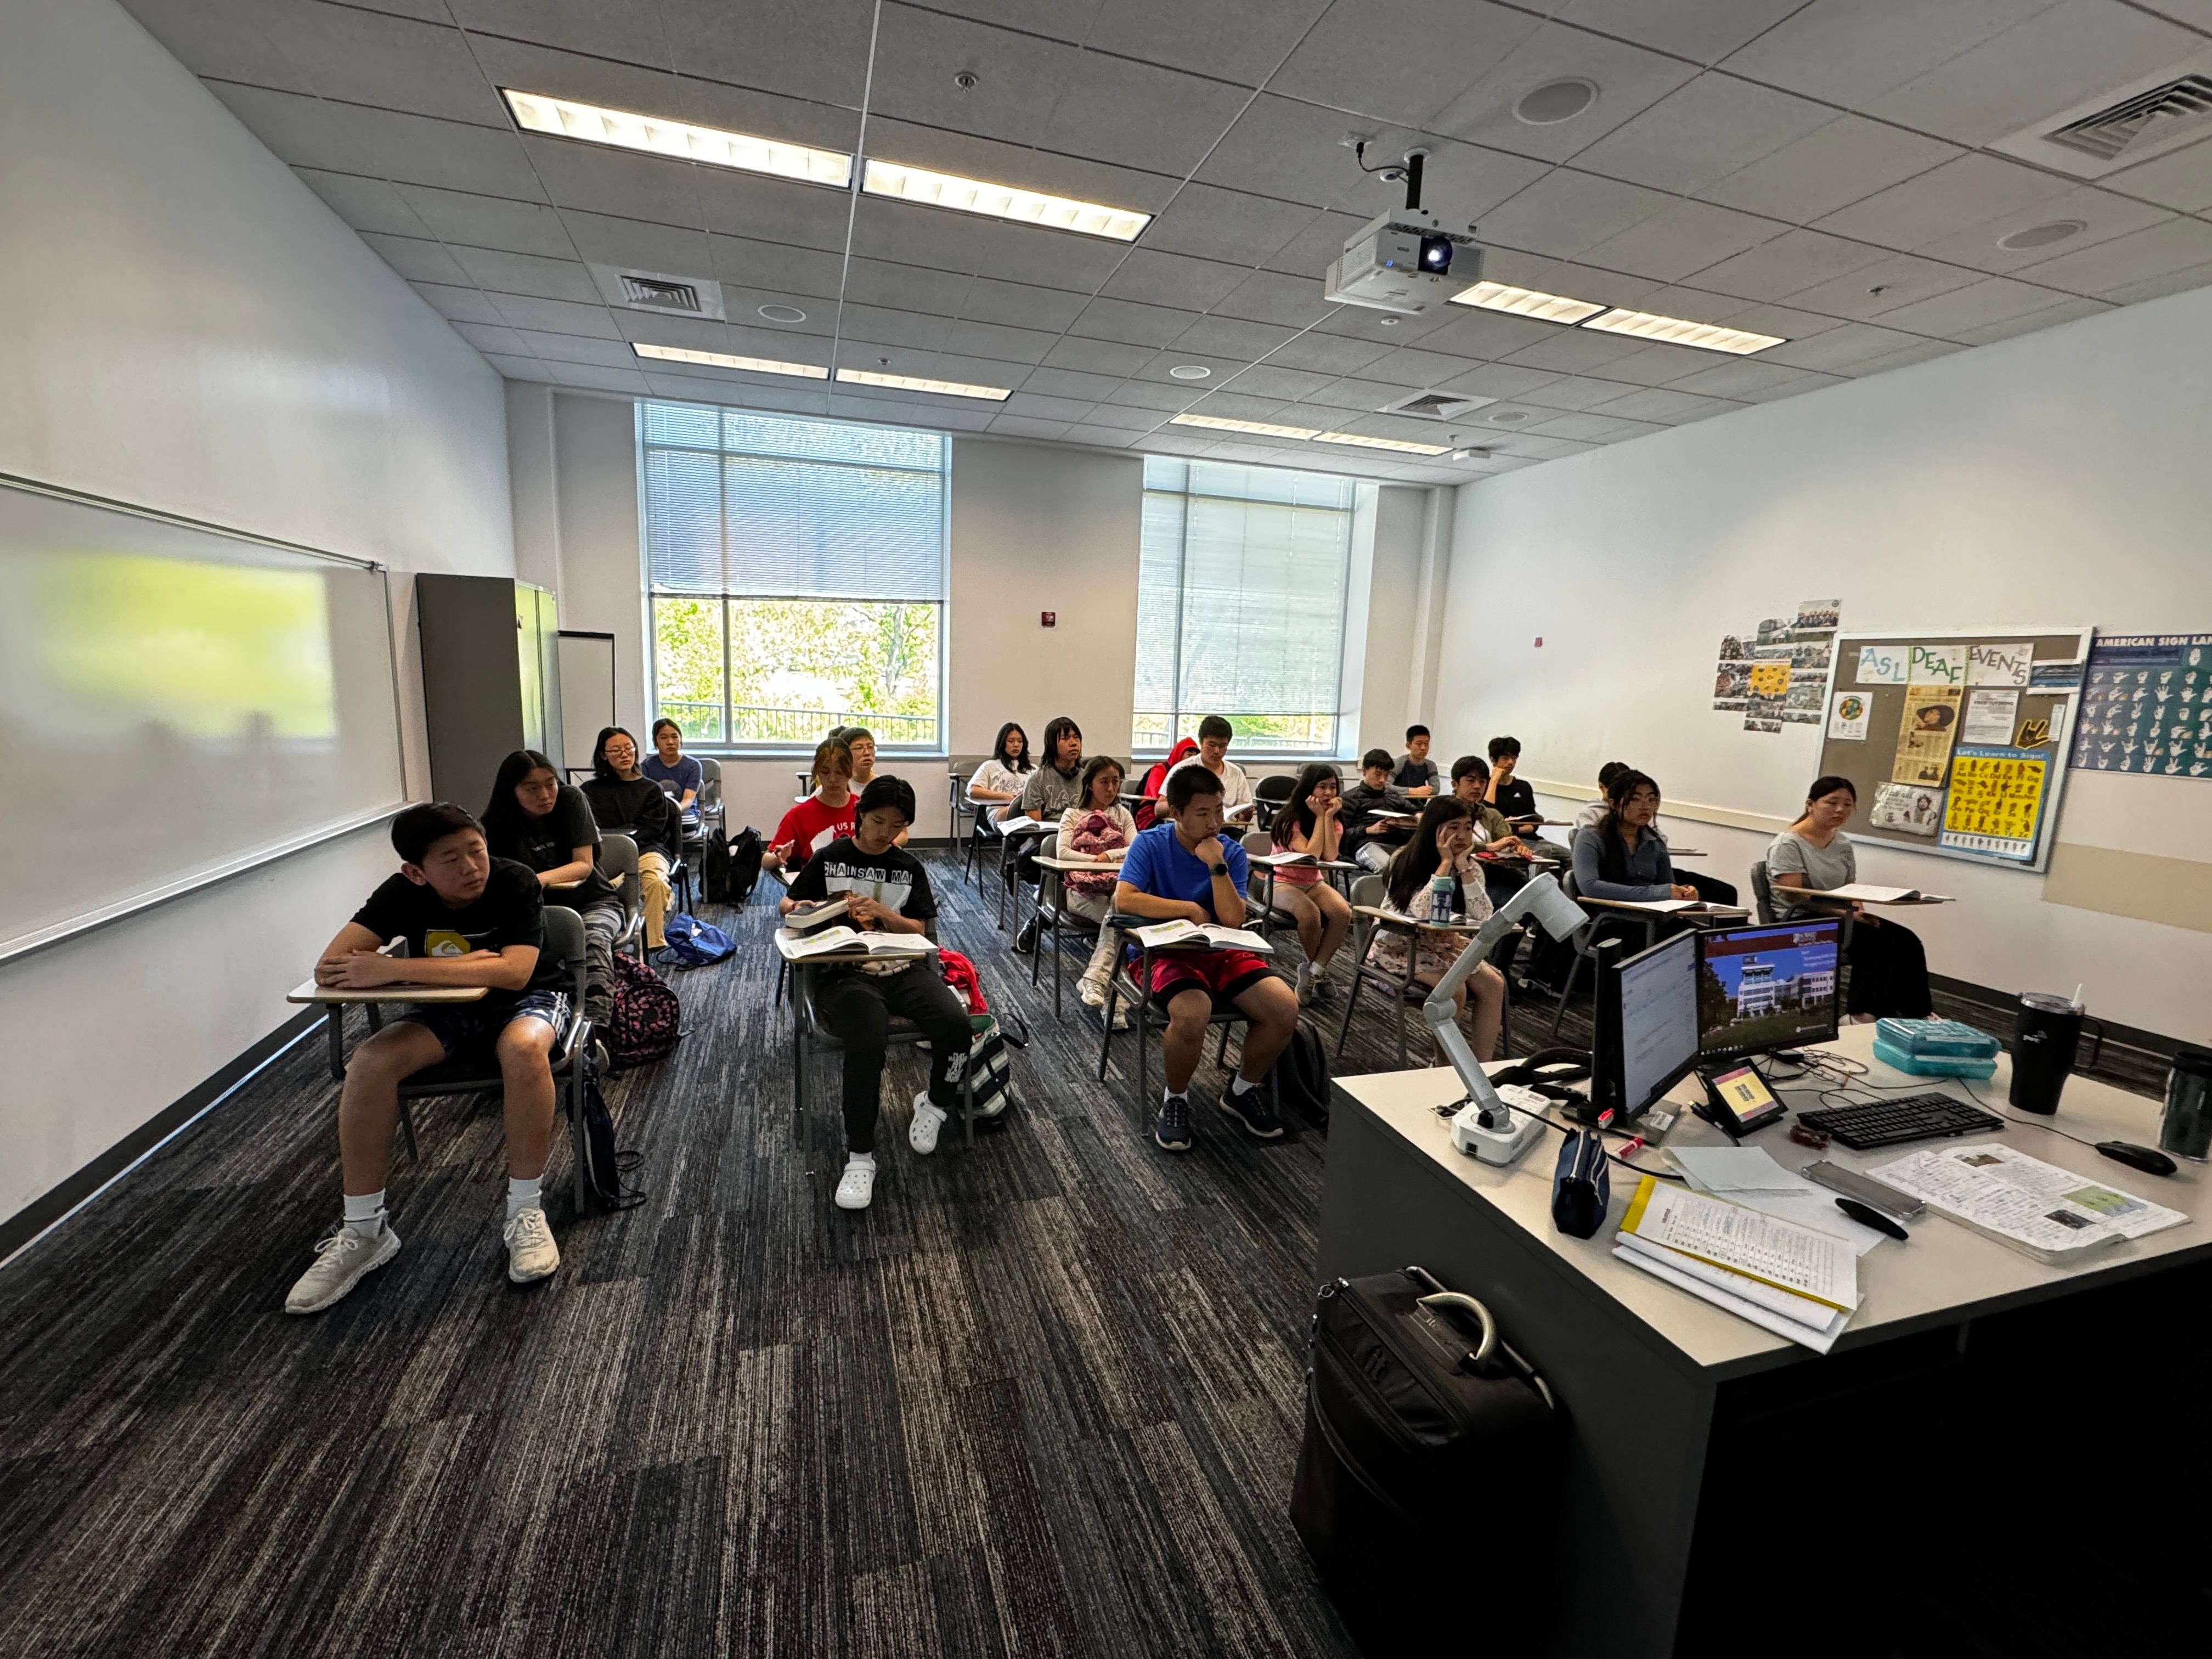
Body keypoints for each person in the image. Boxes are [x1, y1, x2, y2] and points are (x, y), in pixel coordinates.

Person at [285, 804, 568, 1313]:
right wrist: (473, 965)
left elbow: (516, 973)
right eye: (450, 859)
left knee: (522, 1049)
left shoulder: (515, 881)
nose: (470, 867)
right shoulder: (401, 895)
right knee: (371, 1060)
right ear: (416, 872)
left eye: (476, 851)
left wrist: (396, 969)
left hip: (531, 1000)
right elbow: (331, 969)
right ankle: (365, 1230)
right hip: (446, 1008)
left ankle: (525, 1213)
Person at [781, 777, 974, 1211]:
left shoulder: (908, 866)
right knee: (867, 1041)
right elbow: (788, 907)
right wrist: (809, 909)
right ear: (860, 816)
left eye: (896, 824)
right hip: (845, 972)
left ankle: (936, 1103)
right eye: (877, 821)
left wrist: (885, 914)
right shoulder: (830, 858)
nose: (884, 832)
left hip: (902, 965)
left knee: (957, 1025)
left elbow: (921, 929)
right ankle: (860, 1156)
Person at [1115, 765, 1300, 1152]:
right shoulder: (1150, 843)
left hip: (1220, 950)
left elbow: (1232, 919)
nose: (1215, 822)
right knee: (1192, 1012)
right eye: (1203, 814)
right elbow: (1126, 899)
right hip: (1162, 952)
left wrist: (1216, 865)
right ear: (1178, 813)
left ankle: (1242, 1089)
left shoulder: (1229, 851)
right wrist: (1187, 910)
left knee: (1284, 1007)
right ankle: (1176, 1099)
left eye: (1219, 810)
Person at [1768, 776, 1933, 1021]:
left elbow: (1851, 888)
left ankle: (1916, 1014)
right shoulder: (1788, 843)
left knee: (1906, 939)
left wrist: (1859, 911)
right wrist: (1843, 914)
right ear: (1810, 805)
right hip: (1802, 916)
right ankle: (1862, 1014)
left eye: (1847, 804)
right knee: (1876, 942)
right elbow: (1794, 895)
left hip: (1841, 915)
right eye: (1832, 802)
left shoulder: (1842, 844)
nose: (1840, 810)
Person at [481, 749, 621, 1034]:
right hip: (535, 912)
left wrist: (530, 881)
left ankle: (596, 1034)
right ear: (512, 791)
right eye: (532, 788)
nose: (545, 794)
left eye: (551, 783)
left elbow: (582, 866)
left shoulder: (571, 800)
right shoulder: (494, 826)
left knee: (591, 941)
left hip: (593, 901)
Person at [1368, 797, 1506, 1064]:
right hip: (1399, 943)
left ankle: (1483, 1066)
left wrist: (1464, 868)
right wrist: (1444, 864)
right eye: (1454, 827)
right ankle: (1442, 1064)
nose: (1462, 836)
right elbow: (1421, 911)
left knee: (1494, 985)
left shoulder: (1470, 865)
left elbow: (1483, 916)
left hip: (1442, 943)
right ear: (1435, 828)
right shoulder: (1405, 858)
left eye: (1468, 828)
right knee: (1455, 991)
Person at [580, 726, 681, 956]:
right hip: (604, 853)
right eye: (616, 750)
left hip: (646, 850)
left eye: (628, 748)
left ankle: (650, 945)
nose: (624, 754)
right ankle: (599, 942)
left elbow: (652, 829)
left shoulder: (651, 789)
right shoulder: (588, 790)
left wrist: (626, 843)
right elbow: (587, 829)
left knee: (656, 882)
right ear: (603, 755)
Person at [1053, 755, 1136, 1025]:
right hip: (1083, 894)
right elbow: (1063, 852)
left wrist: (1110, 856)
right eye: (1105, 782)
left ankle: (1096, 981)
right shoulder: (1073, 815)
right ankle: (1116, 1006)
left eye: (1116, 782)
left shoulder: (1122, 814)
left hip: (1117, 892)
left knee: (1118, 921)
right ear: (1089, 784)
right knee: (1121, 923)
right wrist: (1096, 861)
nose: (1111, 789)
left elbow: (1137, 848)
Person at [1268, 763, 1353, 1004]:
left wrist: (1326, 818)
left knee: (1342, 912)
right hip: (1281, 881)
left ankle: (1314, 970)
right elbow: (1310, 855)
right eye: (1322, 787)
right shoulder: (1289, 819)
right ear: (1309, 789)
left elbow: (1330, 856)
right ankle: (1321, 972)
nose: (1328, 794)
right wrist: (1318, 817)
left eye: (1333, 787)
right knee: (1310, 914)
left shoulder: (1334, 820)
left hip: (1312, 882)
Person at [1002, 715, 1086, 951]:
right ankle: (1043, 918)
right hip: (1048, 843)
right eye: (1066, 738)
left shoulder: (1087, 777)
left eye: (1076, 737)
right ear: (1052, 744)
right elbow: (1035, 825)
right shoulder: (1039, 778)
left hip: (1084, 843)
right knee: (1054, 851)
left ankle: (1044, 919)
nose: (1074, 743)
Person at [1571, 769, 1699, 903]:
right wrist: (1655, 893)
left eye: (1651, 799)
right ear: (1614, 804)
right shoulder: (1590, 838)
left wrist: (1684, 893)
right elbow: (1590, 887)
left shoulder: (1654, 842)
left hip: (1654, 918)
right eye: (1635, 800)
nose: (1645, 807)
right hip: (1612, 918)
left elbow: (1666, 885)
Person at [766, 736, 857, 875]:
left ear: (850, 771)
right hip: (815, 892)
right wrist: (777, 858)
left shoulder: (864, 809)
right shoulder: (799, 814)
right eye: (825, 772)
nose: (832, 779)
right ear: (817, 772)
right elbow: (766, 860)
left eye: (839, 772)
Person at [1165, 715, 1255, 821]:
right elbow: (1159, 808)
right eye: (1211, 745)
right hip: (1192, 831)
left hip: (1228, 831)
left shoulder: (1236, 773)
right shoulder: (1183, 769)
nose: (1217, 751)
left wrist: (1247, 814)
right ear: (1201, 742)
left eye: (1222, 746)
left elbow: (1244, 819)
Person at [1343, 749, 1418, 873]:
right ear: (1364, 771)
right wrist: (1368, 830)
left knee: (1419, 868)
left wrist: (1418, 816)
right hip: (1368, 844)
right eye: (1377, 774)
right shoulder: (1350, 798)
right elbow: (1341, 834)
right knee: (1387, 869)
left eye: (1386, 775)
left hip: (1398, 844)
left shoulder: (1392, 795)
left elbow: (1414, 810)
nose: (1382, 780)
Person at [1136, 736, 1198, 831]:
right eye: (1189, 755)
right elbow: (1157, 793)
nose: (1193, 759)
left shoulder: (1195, 775)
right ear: (1179, 754)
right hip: (1151, 814)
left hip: (1179, 815)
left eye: (1196, 756)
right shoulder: (1161, 769)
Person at [641, 717, 702, 812]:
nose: (670, 742)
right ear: (655, 742)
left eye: (675, 737)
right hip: (657, 812)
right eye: (664, 737)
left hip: (684, 811)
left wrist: (674, 813)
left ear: (680, 740)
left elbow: (688, 800)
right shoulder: (647, 766)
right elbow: (646, 799)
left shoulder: (693, 765)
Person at [1485, 736, 1543, 833]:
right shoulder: (1484, 785)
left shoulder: (1524, 786)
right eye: (1505, 758)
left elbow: (1532, 818)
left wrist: (1530, 827)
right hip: (1503, 838)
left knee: (1563, 850)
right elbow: (1487, 817)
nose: (1511, 762)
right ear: (1493, 760)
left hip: (1530, 837)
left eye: (1514, 758)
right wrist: (1494, 780)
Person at [967, 721, 1032, 805]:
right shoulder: (990, 766)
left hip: (1028, 810)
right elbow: (973, 790)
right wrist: (1006, 796)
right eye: (1011, 741)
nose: (1016, 745)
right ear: (1002, 743)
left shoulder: (1033, 769)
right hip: (999, 808)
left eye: (1020, 741)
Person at [1393, 725, 1439, 797]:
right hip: (1397, 804)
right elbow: (1386, 787)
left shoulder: (1431, 765)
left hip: (1420, 805)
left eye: (1426, 744)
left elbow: (1436, 789)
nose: (1423, 748)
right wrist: (1412, 791)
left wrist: (1423, 791)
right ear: (1408, 746)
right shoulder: (1399, 763)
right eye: (1419, 744)